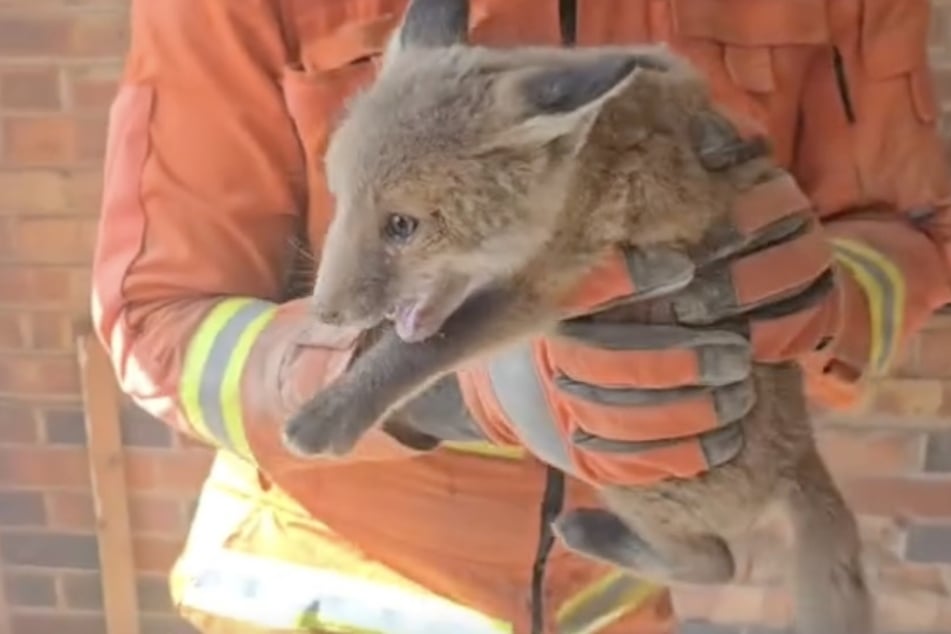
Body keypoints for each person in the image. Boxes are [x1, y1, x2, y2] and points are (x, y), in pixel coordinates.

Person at [90, 1, 951, 632]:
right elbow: (160, 320)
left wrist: (819, 295)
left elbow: (913, 232)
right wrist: (447, 393)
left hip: (611, 600)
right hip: (326, 589)